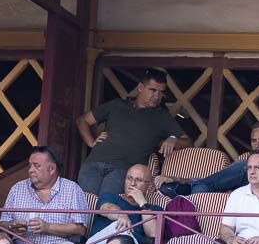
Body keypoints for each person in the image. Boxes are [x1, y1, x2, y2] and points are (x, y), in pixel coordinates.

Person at [77, 68, 190, 196]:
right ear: (140, 87)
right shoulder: (117, 105)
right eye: (153, 90)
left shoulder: (161, 116)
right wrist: (91, 142)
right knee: (83, 206)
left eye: (161, 92)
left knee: (107, 207)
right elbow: (83, 120)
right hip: (94, 163)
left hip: (123, 170)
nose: (157, 96)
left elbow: (187, 141)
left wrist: (173, 138)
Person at [2, 146, 89, 244]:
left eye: (36, 166)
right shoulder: (18, 188)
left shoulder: (72, 189)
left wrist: (47, 227)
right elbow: (3, 223)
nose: (31, 170)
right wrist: (13, 226)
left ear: (51, 168)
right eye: (30, 165)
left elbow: (80, 229)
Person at [160, 121, 259, 196]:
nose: (257, 145)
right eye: (253, 141)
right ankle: (190, 187)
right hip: (236, 198)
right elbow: (221, 179)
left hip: (256, 199)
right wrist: (176, 178)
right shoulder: (244, 160)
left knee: (244, 165)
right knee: (201, 189)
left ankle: (185, 188)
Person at [83, 163, 163, 244]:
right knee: (119, 225)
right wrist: (121, 214)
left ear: (150, 185)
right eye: (129, 178)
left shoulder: (154, 209)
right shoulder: (110, 197)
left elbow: (154, 235)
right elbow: (106, 208)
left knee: (123, 232)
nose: (132, 183)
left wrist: (143, 204)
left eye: (138, 180)